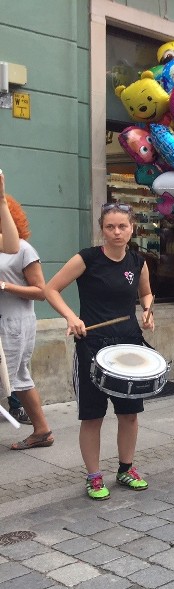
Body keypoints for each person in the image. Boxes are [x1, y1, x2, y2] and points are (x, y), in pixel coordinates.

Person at [44, 202, 154, 500]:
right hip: (92, 347)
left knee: (129, 414)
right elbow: (50, 289)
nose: (116, 232)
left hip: (129, 345)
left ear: (132, 228)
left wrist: (147, 309)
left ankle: (126, 468)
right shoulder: (87, 258)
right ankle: (94, 476)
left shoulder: (137, 260)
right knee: (93, 416)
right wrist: (71, 317)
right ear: (102, 229)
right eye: (110, 227)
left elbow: (145, 292)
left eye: (122, 226)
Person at [1, 182, 53, 451]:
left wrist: (4, 286)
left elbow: (41, 291)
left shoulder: (22, 248)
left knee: (11, 378)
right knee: (19, 378)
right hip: (5, 322)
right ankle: (42, 430)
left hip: (14, 324)